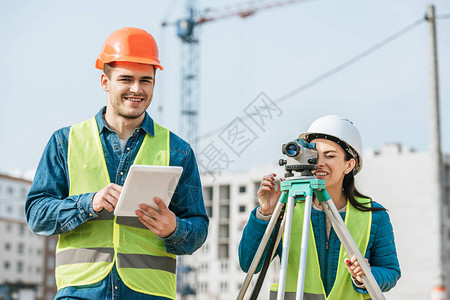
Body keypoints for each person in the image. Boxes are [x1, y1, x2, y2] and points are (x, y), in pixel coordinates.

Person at [25, 27, 209, 300]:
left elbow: (198, 228)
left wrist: (175, 229)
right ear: (105, 82)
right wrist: (89, 203)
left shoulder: (178, 150)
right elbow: (37, 215)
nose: (137, 89)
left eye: (145, 80)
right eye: (126, 79)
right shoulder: (66, 142)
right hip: (82, 292)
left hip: (150, 293)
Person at [238, 115, 401, 299]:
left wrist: (365, 275)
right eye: (314, 155)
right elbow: (249, 263)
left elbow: (390, 271)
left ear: (349, 164)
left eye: (330, 155)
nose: (319, 162)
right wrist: (266, 213)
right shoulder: (289, 209)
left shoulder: (374, 215)